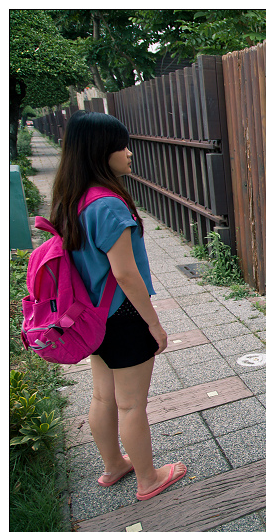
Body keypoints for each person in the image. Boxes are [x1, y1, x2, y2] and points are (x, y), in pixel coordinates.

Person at [50, 111, 186, 501]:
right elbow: (126, 275)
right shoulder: (108, 204)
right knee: (131, 406)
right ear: (100, 151)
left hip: (90, 316)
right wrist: (155, 325)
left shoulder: (71, 198)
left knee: (102, 397)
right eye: (121, 146)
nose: (129, 153)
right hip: (123, 317)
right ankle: (149, 478)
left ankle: (113, 466)